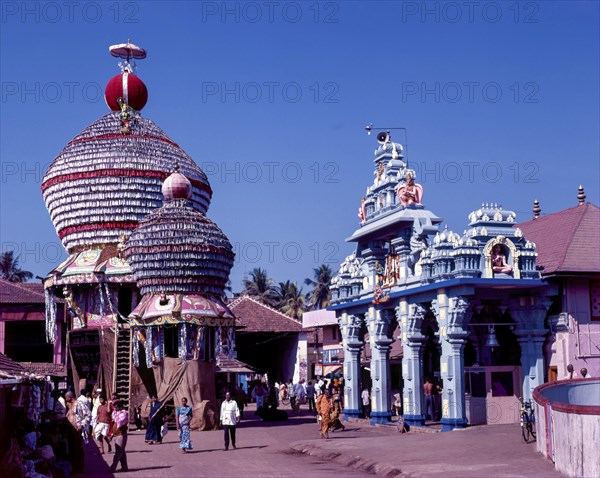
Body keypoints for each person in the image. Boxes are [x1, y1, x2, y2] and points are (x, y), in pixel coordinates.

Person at [109, 400, 128, 473]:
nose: (115, 408)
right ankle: (124, 467)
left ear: (120, 407)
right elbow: (113, 423)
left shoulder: (124, 413)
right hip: (116, 434)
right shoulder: (115, 413)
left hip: (121, 435)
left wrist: (115, 415)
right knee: (121, 452)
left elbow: (119, 422)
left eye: (116, 407)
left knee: (118, 452)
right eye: (115, 407)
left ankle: (113, 467)